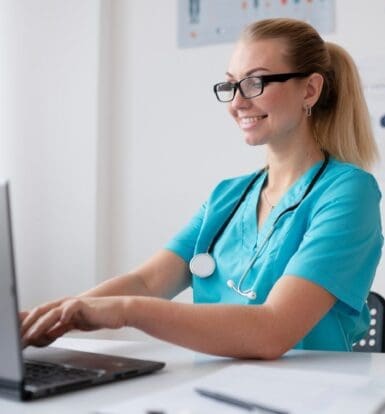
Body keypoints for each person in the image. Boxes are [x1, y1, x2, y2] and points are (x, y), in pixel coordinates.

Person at [21, 18, 383, 359]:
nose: (238, 102)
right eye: (231, 85)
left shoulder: (348, 193)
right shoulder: (227, 197)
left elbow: (271, 330)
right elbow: (147, 282)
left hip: (311, 397)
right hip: (211, 388)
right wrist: (53, 316)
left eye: (255, 82)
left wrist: (124, 311)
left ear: (310, 89)